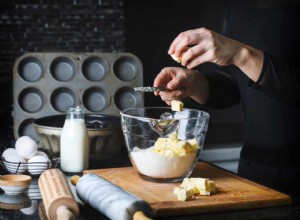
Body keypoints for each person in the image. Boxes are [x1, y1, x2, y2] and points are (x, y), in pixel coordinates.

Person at [153, 0, 300, 197]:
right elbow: (239, 85)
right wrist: (196, 83)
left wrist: (241, 54)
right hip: (253, 173)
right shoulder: (237, 7)